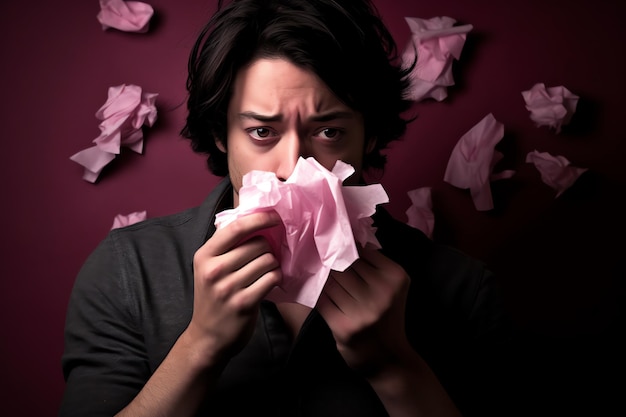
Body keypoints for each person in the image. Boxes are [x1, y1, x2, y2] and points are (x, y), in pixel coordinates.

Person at [60, 0, 513, 416]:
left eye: (330, 132)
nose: (293, 167)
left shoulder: (462, 290)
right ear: (222, 134)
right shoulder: (128, 271)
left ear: (369, 135)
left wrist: (394, 367)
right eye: (262, 132)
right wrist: (202, 345)